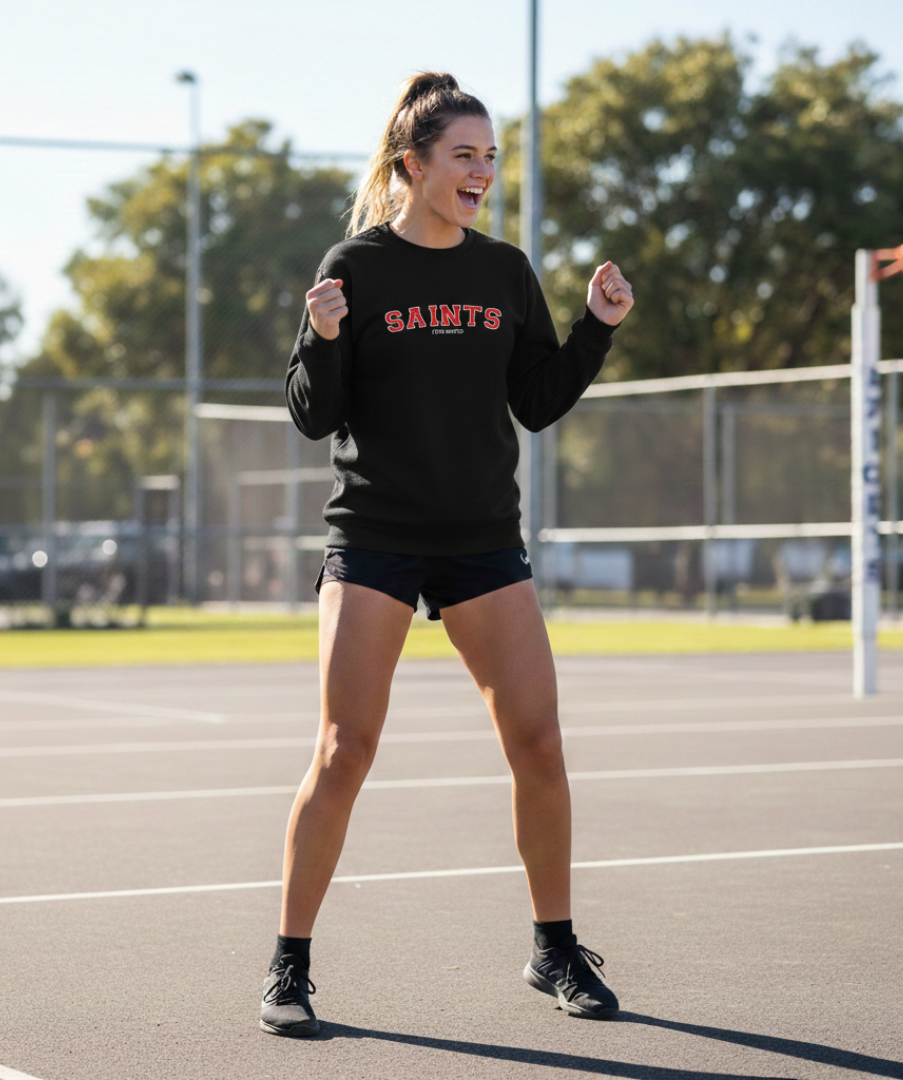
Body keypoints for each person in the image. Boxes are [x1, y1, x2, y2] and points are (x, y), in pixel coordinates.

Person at [261, 72, 634, 1038]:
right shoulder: (358, 264)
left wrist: (597, 328)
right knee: (345, 751)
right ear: (412, 164)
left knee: (541, 745)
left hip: (479, 541)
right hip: (375, 535)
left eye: (490, 157)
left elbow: (538, 401)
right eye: (464, 155)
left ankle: (555, 947)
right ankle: (288, 965)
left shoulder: (504, 271)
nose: (482, 172)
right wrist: (325, 335)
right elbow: (314, 416)